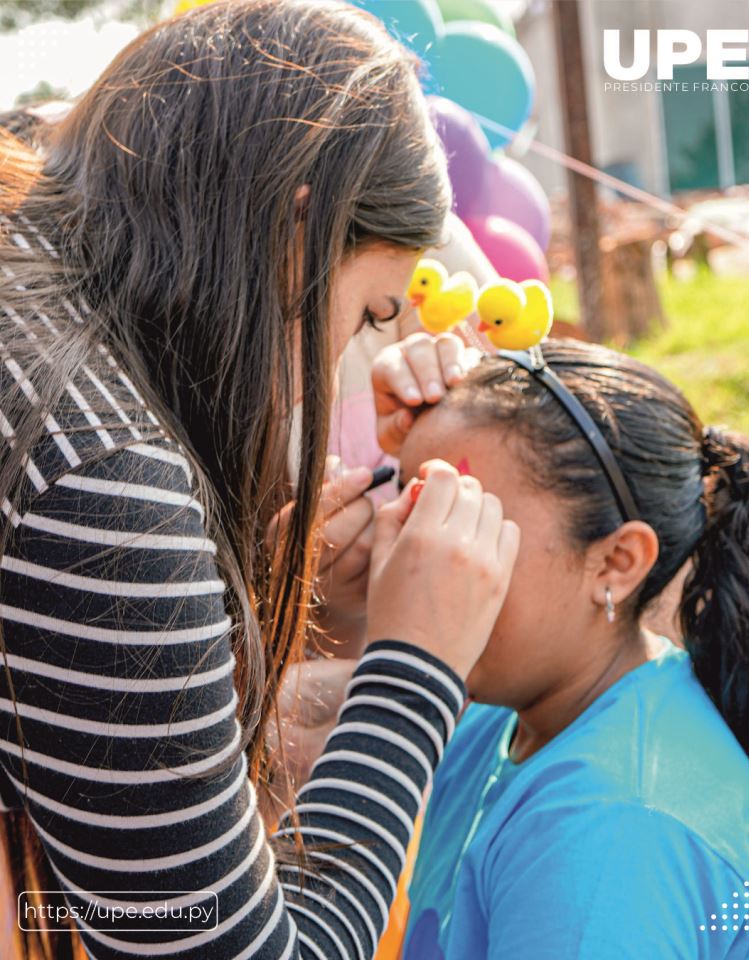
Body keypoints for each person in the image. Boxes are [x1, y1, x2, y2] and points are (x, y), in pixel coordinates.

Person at [0, 2, 520, 958]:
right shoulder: (103, 472)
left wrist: (235, 626)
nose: (331, 378)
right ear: (296, 230)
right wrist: (413, 672)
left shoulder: (24, 271)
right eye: (368, 313)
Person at [398, 341, 749, 958]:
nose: (414, 561)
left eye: (463, 528)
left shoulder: (614, 829)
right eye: (407, 516)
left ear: (616, 563)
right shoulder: (500, 714)